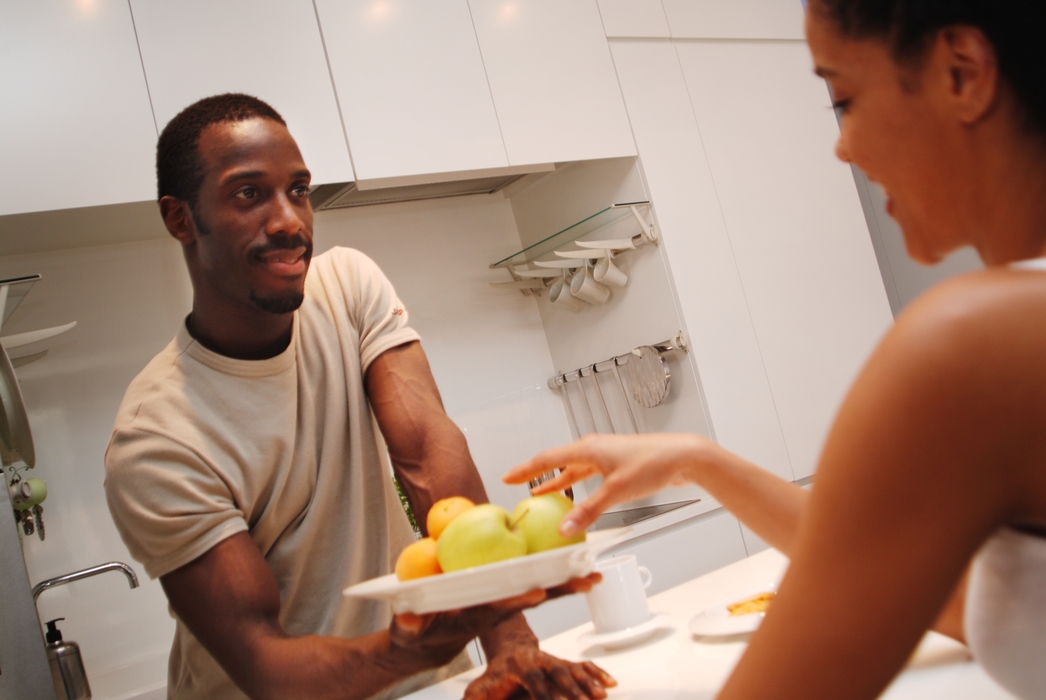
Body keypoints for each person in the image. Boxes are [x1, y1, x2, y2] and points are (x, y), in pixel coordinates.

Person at [506, 1, 1046, 698]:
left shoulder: (972, 341)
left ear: (962, 72)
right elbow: (961, 600)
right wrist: (700, 461)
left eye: (843, 99)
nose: (843, 148)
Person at [104, 94, 614, 700]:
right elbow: (265, 665)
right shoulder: (155, 437)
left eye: (298, 190)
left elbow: (427, 451)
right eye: (249, 194)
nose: (290, 220)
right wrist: (423, 643)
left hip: (424, 684)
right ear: (180, 218)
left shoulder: (346, 284)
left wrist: (510, 643)